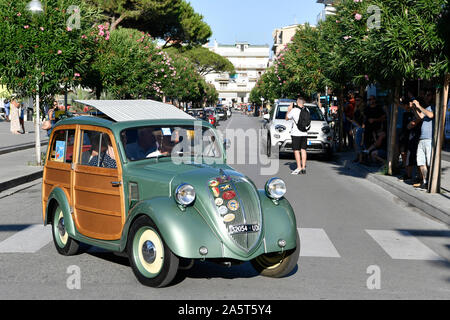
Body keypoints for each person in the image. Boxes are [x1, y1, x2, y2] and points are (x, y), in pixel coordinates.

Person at [412, 91, 434, 190]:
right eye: (426, 95)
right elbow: (420, 116)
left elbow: (430, 115)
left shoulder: (434, 107)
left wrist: (419, 106)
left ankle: (431, 182)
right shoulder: (427, 108)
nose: (426, 97)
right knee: (420, 161)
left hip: (429, 139)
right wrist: (414, 107)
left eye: (428, 95)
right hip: (422, 138)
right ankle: (425, 181)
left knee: (429, 162)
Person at [286, 95, 309, 175]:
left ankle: (299, 167)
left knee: (296, 150)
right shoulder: (307, 110)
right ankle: (303, 167)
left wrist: (289, 109)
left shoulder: (294, 110)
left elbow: (287, 118)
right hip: (304, 133)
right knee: (303, 150)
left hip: (296, 133)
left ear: (297, 102)